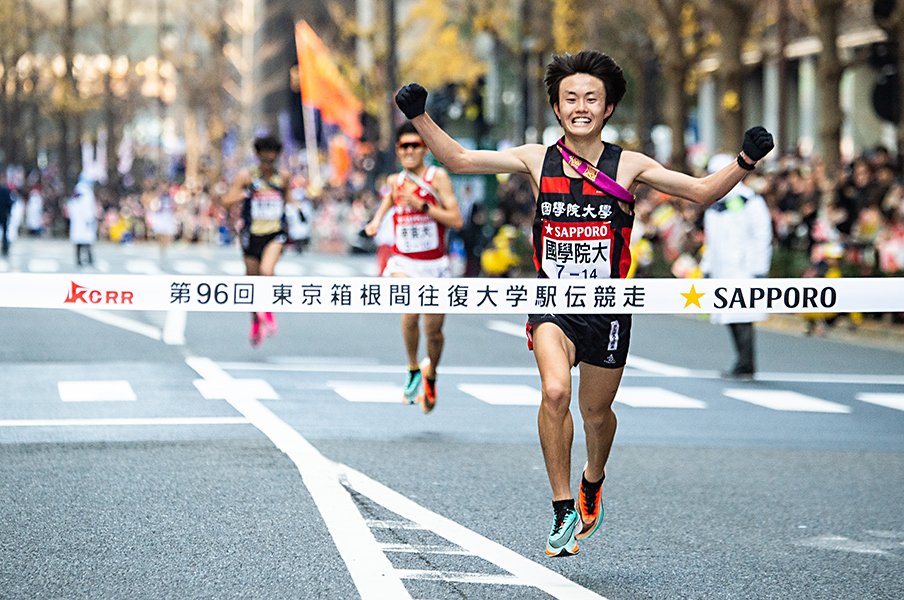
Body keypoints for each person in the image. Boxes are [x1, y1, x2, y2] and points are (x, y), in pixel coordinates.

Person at [394, 50, 774, 556]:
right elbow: (462, 160)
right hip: (552, 300)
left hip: (609, 306)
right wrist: (419, 116)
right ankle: (562, 506)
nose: (580, 106)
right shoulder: (536, 158)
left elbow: (701, 192)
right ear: (556, 107)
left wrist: (744, 161)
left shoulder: (631, 164)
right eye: (570, 97)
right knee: (554, 392)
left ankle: (593, 477)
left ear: (608, 108)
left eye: (591, 98)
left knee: (597, 414)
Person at [364, 122, 463, 413]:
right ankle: (411, 368)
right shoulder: (396, 182)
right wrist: (374, 222)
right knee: (410, 307)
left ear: (425, 149)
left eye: (414, 146)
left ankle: (430, 373)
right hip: (403, 262)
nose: (409, 151)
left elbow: (455, 219)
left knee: (434, 331)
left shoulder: (437, 177)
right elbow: (385, 206)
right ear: (397, 150)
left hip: (435, 265)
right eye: (404, 146)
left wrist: (422, 207)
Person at [699, 153, 773, 379]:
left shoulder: (751, 201)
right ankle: (742, 361)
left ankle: (746, 363)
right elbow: (711, 241)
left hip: (744, 268)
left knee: (742, 315)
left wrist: (759, 267)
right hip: (723, 269)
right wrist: (707, 267)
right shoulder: (715, 204)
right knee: (728, 315)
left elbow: (763, 235)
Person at [222, 135, 296, 347]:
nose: (267, 166)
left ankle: (268, 312)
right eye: (264, 161)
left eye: (271, 161)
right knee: (252, 282)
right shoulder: (246, 176)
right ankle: (255, 320)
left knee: (267, 271)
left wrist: (298, 209)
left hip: (274, 233)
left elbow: (290, 200)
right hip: (251, 234)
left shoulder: (282, 177)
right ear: (257, 158)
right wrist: (246, 193)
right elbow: (226, 200)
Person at [67, 175, 98, 267]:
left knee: (80, 241)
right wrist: (89, 218)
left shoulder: (78, 191)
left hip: (77, 221)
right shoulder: (86, 192)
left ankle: (80, 260)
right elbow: (87, 208)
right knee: (87, 240)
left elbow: (71, 205)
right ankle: (89, 259)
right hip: (84, 221)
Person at [0, 173, 13, 258]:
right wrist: (8, 212)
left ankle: (5, 247)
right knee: (5, 232)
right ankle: (5, 248)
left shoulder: (5, 190)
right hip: (3, 214)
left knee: (5, 232)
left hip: (3, 213)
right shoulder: (5, 190)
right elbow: (10, 203)